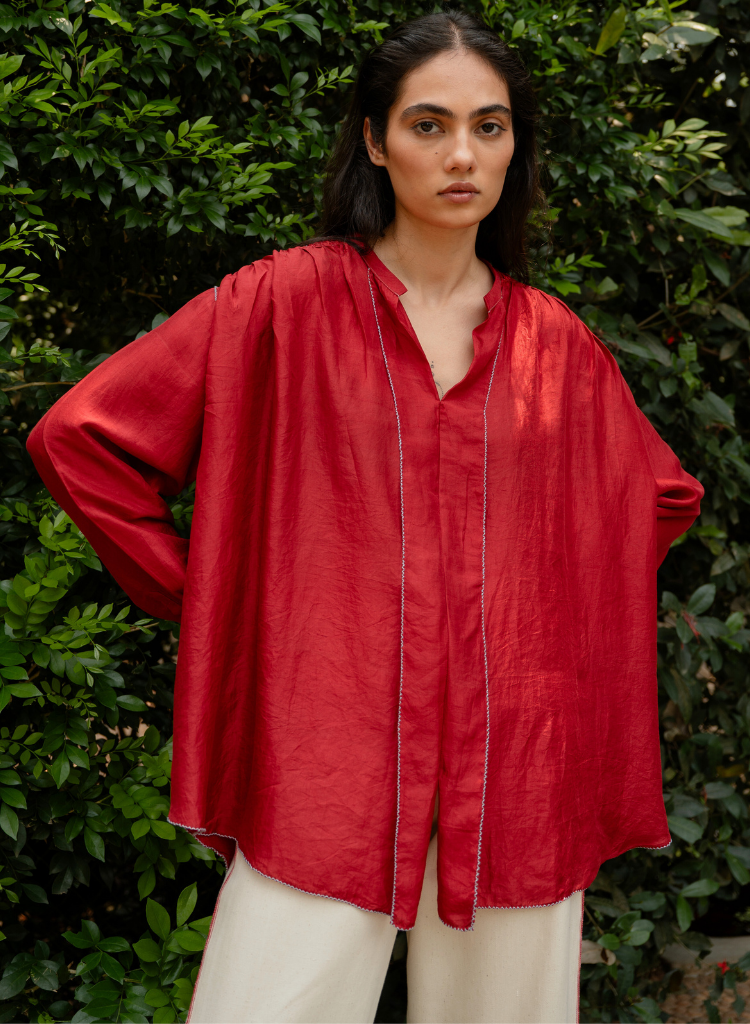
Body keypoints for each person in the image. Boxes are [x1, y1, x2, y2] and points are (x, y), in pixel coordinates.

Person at [27, 9, 703, 1024]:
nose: (462, 154)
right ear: (376, 142)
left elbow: (653, 498)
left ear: (515, 147)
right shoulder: (281, 306)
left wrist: (539, 638)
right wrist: (222, 603)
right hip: (327, 757)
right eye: (429, 125)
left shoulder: (555, 347)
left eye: (490, 126)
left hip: (513, 772)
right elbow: (83, 440)